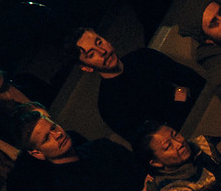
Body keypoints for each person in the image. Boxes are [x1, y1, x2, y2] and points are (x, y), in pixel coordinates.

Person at [5, 107, 148, 191]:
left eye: (53, 128)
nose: (58, 134)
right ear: (38, 153)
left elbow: (146, 170)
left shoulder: (101, 146)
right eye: (46, 138)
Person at [72, 27, 203, 142]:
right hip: (178, 141)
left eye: (99, 42)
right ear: (87, 68)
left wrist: (179, 93)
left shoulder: (143, 56)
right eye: (91, 54)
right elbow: (151, 142)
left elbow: (195, 80)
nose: (102, 51)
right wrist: (180, 95)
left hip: (201, 107)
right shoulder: (108, 105)